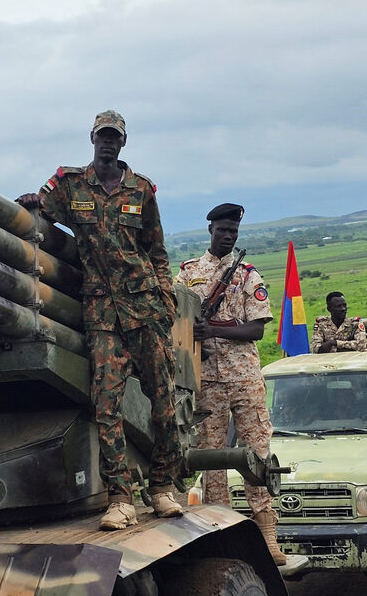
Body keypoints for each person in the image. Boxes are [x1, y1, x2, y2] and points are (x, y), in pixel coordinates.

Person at [18, 110, 184, 530]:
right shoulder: (72, 184)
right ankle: (120, 498)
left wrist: (165, 299)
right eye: (102, 136)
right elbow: (44, 208)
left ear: (123, 143)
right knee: (105, 406)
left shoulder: (141, 190)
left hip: (145, 308)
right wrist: (32, 205)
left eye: (115, 137)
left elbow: (156, 251)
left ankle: (162, 487)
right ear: (92, 138)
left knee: (163, 403)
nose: (108, 142)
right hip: (102, 312)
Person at [176, 203, 284, 563]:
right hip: (206, 379)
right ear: (210, 230)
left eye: (233, 232)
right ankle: (220, 535)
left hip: (244, 377)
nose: (228, 236)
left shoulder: (248, 275)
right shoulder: (188, 273)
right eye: (223, 230)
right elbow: (174, 319)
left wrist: (216, 329)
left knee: (257, 450)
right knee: (211, 458)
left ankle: (268, 534)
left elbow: (256, 328)